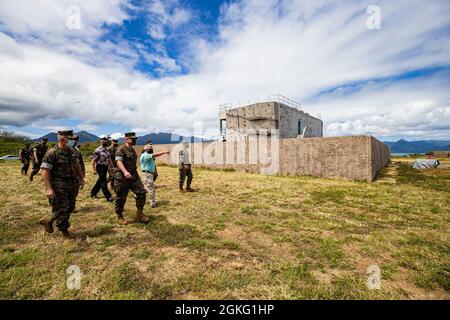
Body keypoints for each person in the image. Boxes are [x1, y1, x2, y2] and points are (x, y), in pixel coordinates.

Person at [39, 130, 85, 239]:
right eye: (71, 139)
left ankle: (48, 220)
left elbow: (76, 165)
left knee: (70, 207)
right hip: (58, 185)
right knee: (62, 209)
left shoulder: (72, 151)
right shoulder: (52, 153)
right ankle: (65, 233)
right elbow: (44, 171)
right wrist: (49, 189)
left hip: (72, 183)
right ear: (62, 139)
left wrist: (81, 178)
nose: (73, 141)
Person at [114, 132, 149, 224]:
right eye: (132, 139)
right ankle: (120, 217)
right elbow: (118, 161)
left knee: (141, 193)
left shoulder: (132, 150)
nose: (134, 140)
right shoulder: (120, 149)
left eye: (135, 139)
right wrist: (125, 171)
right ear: (126, 139)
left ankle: (139, 214)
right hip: (122, 177)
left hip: (133, 176)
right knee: (121, 198)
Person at [90, 137, 113, 202]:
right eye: (103, 141)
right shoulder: (98, 150)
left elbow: (109, 159)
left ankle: (93, 193)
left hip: (105, 167)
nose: (105, 142)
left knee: (100, 181)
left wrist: (112, 166)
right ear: (101, 142)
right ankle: (108, 196)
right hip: (100, 167)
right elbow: (93, 160)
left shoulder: (107, 150)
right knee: (103, 181)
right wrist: (93, 169)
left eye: (106, 141)